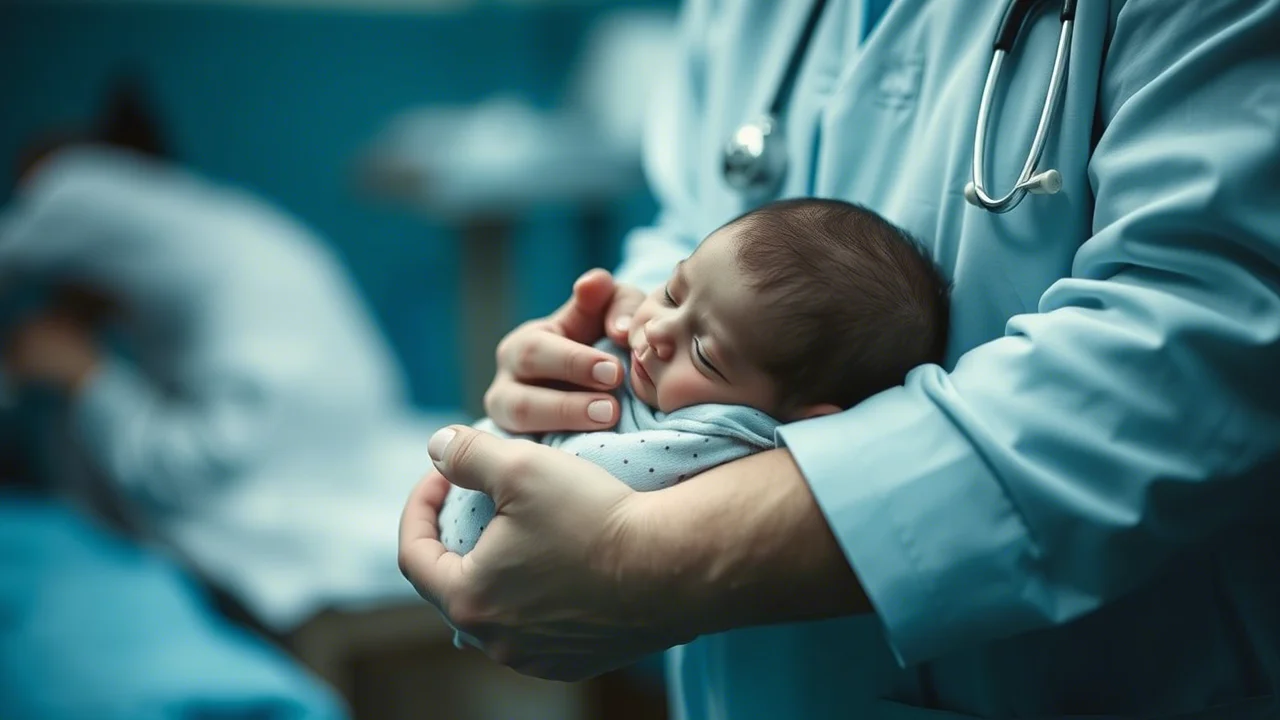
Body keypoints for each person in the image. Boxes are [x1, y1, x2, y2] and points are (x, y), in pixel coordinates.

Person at [400, 0, 1280, 717]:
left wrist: (652, 557)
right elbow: (698, 215)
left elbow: (1205, 331)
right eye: (676, 297)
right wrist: (602, 338)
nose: (664, 329)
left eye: (695, 340)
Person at [0, 138, 453, 632]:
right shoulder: (212, 218)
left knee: (180, 507)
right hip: (351, 413)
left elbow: (176, 475)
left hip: (266, 427)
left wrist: (83, 375)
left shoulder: (76, 184)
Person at [439, 197, 949, 556]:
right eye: (673, 291)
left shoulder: (722, 441)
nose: (657, 329)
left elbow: (570, 490)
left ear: (801, 418)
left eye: (704, 353)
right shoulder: (647, 356)